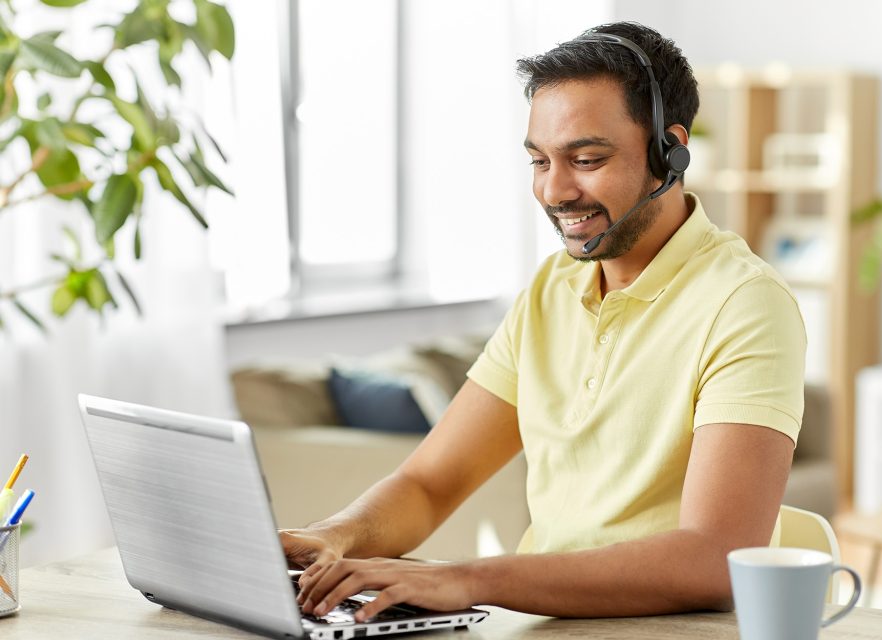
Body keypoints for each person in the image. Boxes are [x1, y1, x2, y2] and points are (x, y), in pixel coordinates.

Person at [283, 21, 805, 621]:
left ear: (669, 150)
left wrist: (468, 580)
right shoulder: (550, 288)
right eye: (539, 161)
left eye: (585, 159)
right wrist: (329, 536)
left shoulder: (745, 303)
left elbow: (716, 560)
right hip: (545, 625)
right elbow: (431, 483)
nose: (555, 190)